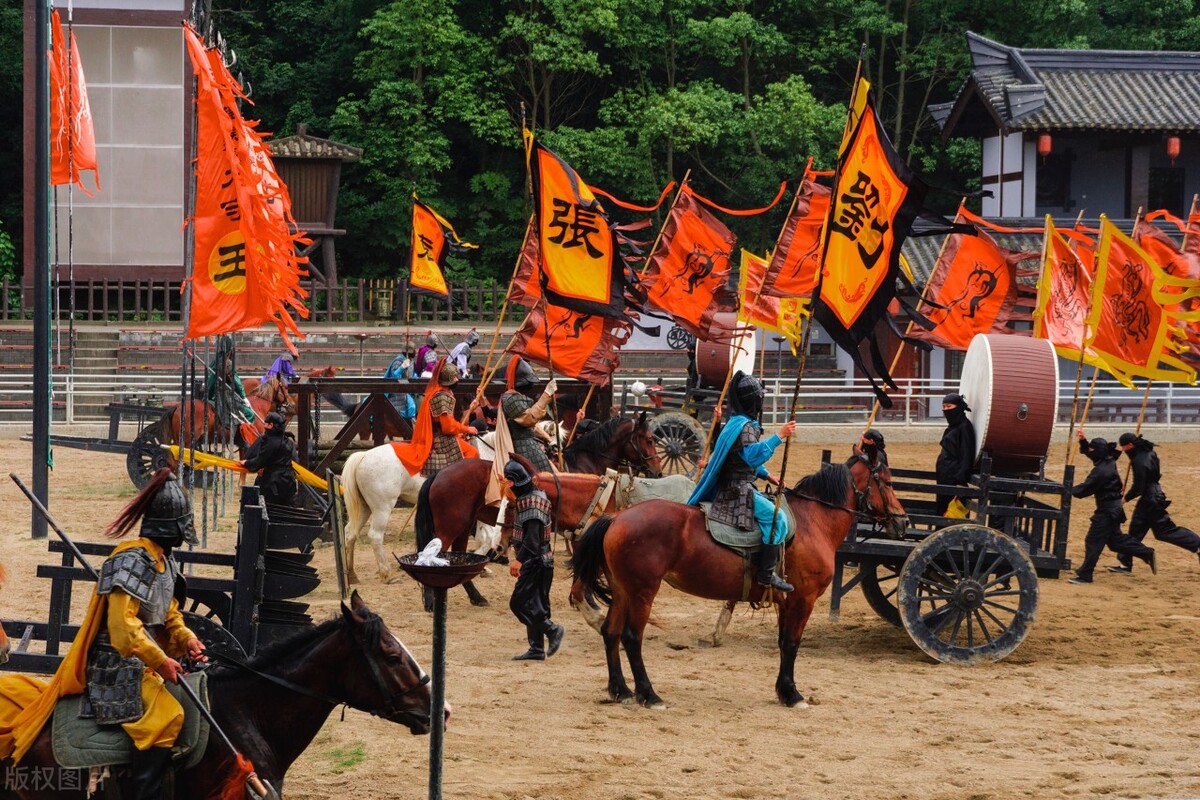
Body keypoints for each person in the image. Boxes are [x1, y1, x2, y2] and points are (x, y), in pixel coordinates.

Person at [0, 468, 207, 796]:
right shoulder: (131, 561)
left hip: (149, 662)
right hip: (116, 666)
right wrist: (161, 660)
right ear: (174, 527)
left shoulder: (164, 562)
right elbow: (123, 630)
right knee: (167, 717)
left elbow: (168, 615)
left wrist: (186, 639)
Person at [687, 371, 796, 593]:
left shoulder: (736, 422)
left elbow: (739, 458)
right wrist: (779, 436)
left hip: (738, 481)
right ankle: (766, 575)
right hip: (738, 490)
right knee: (778, 519)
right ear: (754, 400)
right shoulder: (746, 427)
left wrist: (767, 476)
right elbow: (752, 456)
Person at [1069, 433, 1156, 584]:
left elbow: (1085, 489)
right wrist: (1083, 441)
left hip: (1107, 511)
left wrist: (1067, 489)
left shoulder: (1102, 471)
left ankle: (1085, 574)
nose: (1089, 451)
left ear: (1097, 451)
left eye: (1091, 449)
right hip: (1113, 509)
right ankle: (1146, 552)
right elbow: (1091, 454)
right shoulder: (1107, 459)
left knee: (1093, 540)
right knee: (1116, 542)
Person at [1111, 432, 1200, 573]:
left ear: (1130, 445)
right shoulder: (1149, 452)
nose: (1123, 450)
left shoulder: (1138, 461)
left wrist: (1125, 499)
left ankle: (1197, 544)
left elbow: (1138, 487)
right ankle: (1125, 563)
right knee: (1136, 531)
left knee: (1164, 531)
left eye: (1124, 447)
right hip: (1153, 496)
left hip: (1150, 500)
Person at [504, 458, 564, 661]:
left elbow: (532, 540)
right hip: (541, 561)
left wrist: (518, 561)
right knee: (536, 605)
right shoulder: (535, 495)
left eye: (507, 482)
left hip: (535, 562)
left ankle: (552, 630)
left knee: (519, 603)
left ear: (512, 482)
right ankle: (537, 648)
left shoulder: (531, 502)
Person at [500, 356, 557, 473]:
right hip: (521, 446)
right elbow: (529, 419)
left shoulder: (519, 396)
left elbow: (534, 425)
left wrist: (549, 439)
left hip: (530, 442)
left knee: (553, 469)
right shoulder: (510, 398)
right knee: (545, 474)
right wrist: (546, 394)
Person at [422, 358, 478, 477]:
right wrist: (467, 429)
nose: (457, 379)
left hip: (444, 435)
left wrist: (471, 408)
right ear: (448, 380)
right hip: (441, 439)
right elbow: (447, 427)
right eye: (455, 377)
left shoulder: (443, 393)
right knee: (472, 452)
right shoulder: (442, 396)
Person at [242, 411, 298, 506]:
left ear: (271, 425)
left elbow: (259, 461)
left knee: (269, 512)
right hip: (289, 483)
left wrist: (246, 463)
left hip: (272, 485)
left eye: (266, 423)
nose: (264, 425)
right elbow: (296, 461)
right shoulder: (288, 442)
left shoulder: (269, 442)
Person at [935, 393, 976, 516]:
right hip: (944, 478)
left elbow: (966, 455)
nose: (946, 410)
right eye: (944, 407)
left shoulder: (964, 427)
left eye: (949, 406)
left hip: (953, 480)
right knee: (942, 510)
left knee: (951, 514)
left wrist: (960, 480)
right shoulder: (953, 426)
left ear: (958, 407)